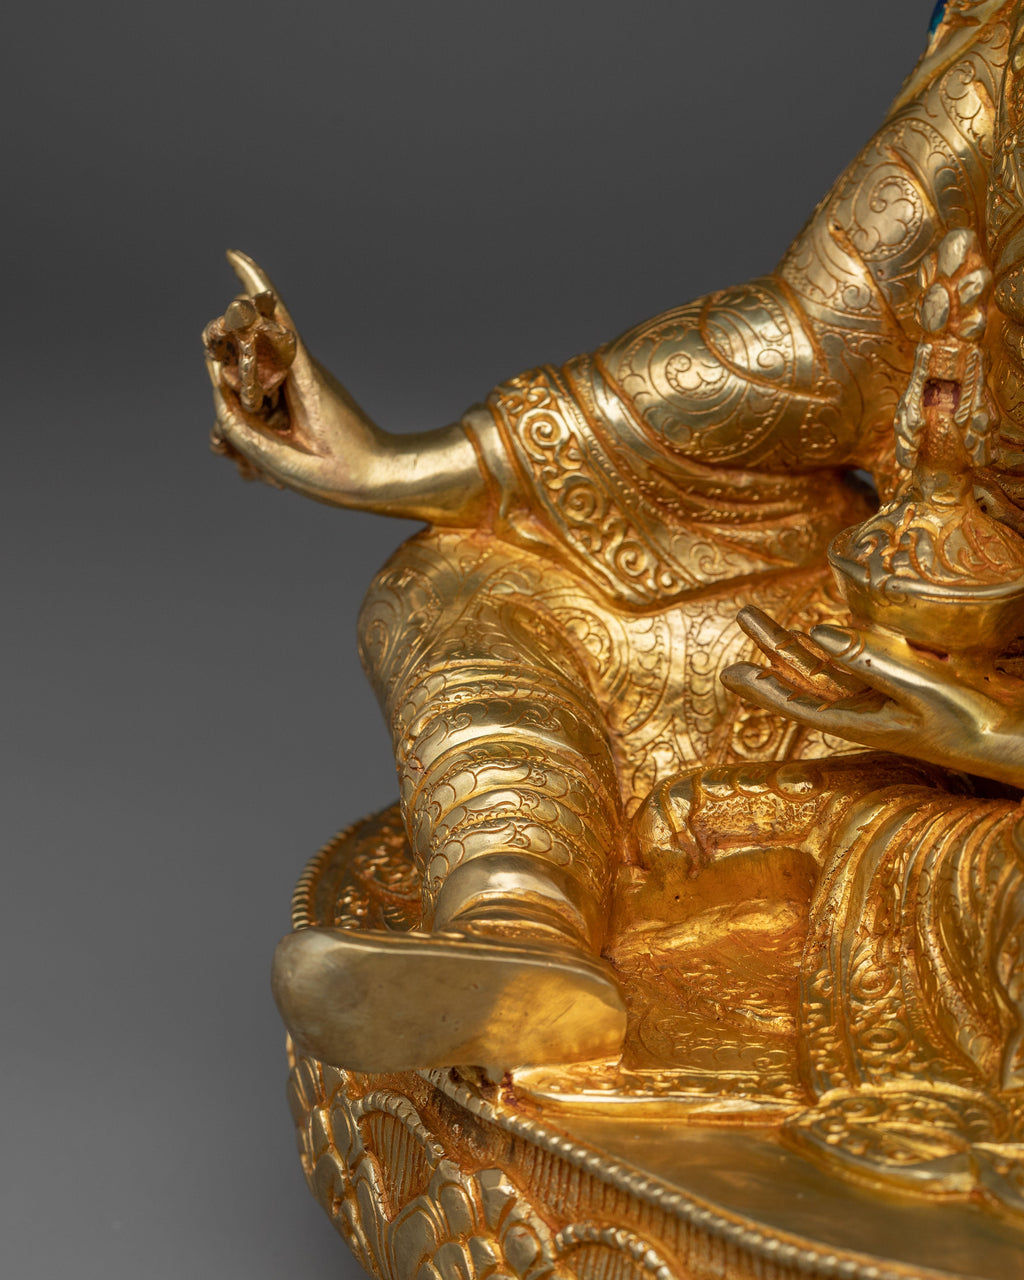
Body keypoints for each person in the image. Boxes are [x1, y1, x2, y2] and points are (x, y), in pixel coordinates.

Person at [205, 0, 1024, 1071]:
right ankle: (517, 929)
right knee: (473, 585)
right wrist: (411, 465)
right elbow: (815, 348)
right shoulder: (1006, 77)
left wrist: (987, 740)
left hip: (990, 769)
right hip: (923, 639)